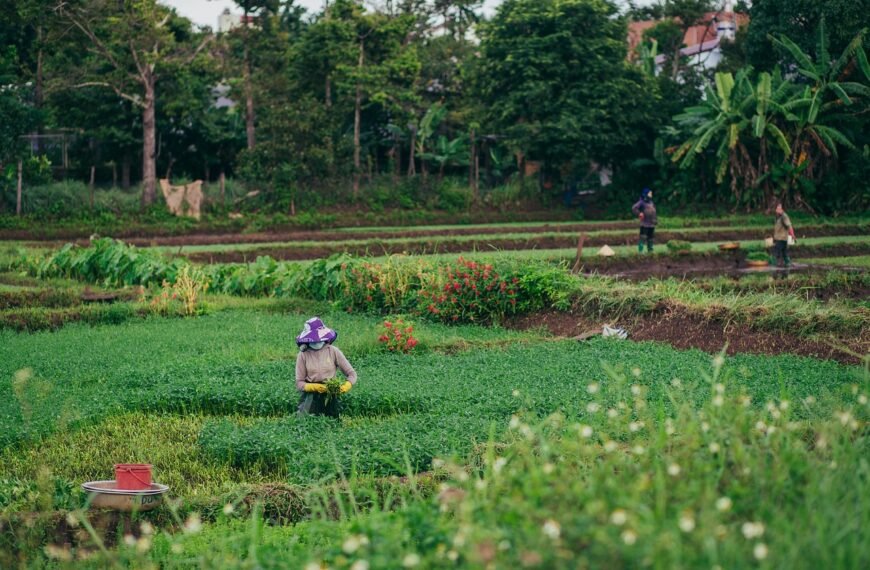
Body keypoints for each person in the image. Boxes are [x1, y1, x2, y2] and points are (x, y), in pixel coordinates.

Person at [295, 317, 357, 417]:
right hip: (311, 395)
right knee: (307, 421)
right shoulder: (303, 355)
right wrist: (313, 387)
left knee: (332, 422)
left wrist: (347, 385)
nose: (317, 343)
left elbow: (352, 374)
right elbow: (299, 382)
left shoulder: (333, 351)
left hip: (331, 391)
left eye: (319, 340)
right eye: (314, 340)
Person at [632, 187, 657, 253]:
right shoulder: (641, 202)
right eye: (649, 193)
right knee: (643, 237)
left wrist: (655, 220)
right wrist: (639, 213)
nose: (651, 195)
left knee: (650, 237)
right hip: (645, 223)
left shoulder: (651, 203)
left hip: (651, 223)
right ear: (645, 194)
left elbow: (653, 211)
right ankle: (640, 250)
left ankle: (650, 250)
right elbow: (634, 208)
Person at [773, 202, 795, 267]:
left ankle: (777, 266)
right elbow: (777, 228)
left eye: (780, 209)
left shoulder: (784, 216)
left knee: (777, 253)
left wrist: (792, 235)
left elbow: (789, 226)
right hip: (778, 238)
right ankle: (786, 265)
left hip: (782, 238)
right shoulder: (777, 217)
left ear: (782, 209)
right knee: (784, 253)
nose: (778, 210)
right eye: (777, 209)